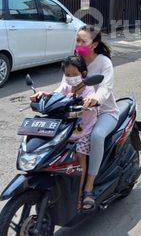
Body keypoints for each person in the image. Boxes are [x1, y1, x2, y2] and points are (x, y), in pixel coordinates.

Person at [31, 56, 97, 210]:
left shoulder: (88, 89)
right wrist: (42, 95)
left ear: (84, 73)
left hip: (84, 132)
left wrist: (90, 101)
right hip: (66, 130)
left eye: (74, 75)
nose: (70, 78)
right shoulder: (67, 86)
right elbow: (56, 95)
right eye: (67, 75)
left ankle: (81, 194)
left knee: (80, 155)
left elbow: (92, 99)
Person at [72, 25, 119, 210]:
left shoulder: (103, 62)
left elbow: (106, 87)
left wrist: (95, 98)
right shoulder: (76, 61)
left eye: (83, 41)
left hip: (105, 112)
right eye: (77, 40)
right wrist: (46, 95)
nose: (79, 44)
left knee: (97, 136)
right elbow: (65, 84)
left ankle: (89, 187)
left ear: (94, 44)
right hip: (81, 112)